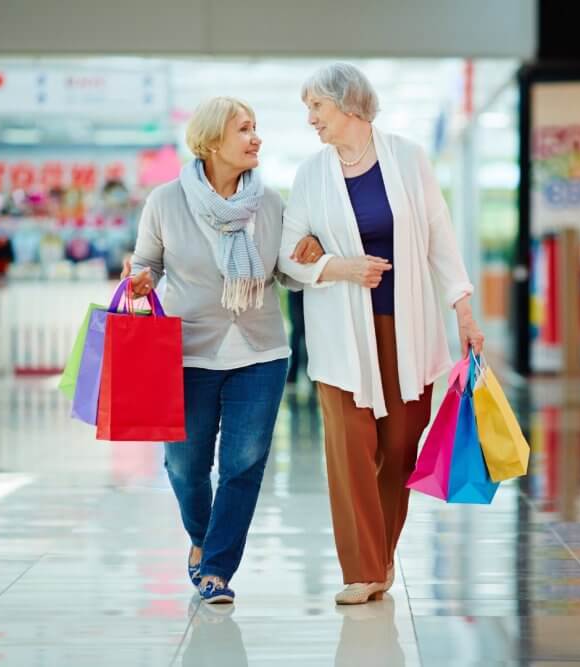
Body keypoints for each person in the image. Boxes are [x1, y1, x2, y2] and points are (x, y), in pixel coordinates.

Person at [277, 63, 485, 606]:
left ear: (348, 106)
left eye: (316, 108)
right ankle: (363, 569)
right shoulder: (311, 175)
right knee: (350, 446)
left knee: (399, 445)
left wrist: (463, 311)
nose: (311, 120)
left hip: (406, 327)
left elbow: (440, 238)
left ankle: (382, 555)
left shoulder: (409, 159)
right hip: (341, 331)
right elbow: (287, 256)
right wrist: (337, 266)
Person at [123, 97, 322, 605]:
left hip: (261, 352)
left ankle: (216, 569)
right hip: (186, 351)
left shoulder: (271, 205)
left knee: (243, 463)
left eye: (256, 128)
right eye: (244, 130)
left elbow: (287, 273)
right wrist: (141, 279)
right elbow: (147, 262)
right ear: (212, 142)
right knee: (185, 466)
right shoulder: (166, 201)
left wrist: (312, 253)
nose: (256, 138)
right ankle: (201, 538)